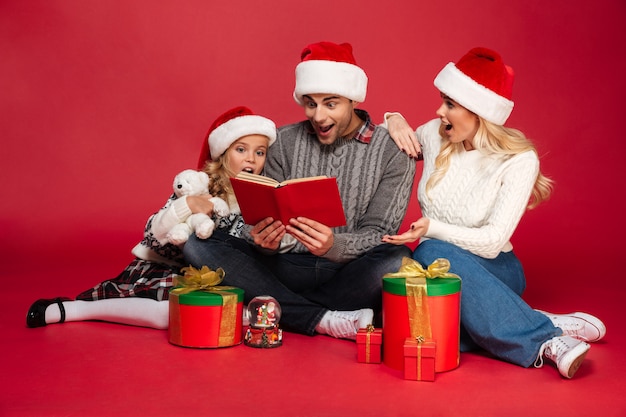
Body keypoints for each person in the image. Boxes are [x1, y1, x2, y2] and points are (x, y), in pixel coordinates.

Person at [382, 47, 606, 378]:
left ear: (478, 113)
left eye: (450, 104)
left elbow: (491, 242)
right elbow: (391, 148)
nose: (438, 110)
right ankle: (529, 317)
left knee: (429, 249)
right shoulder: (433, 134)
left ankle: (545, 340)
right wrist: (393, 117)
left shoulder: (519, 160)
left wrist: (432, 228)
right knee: (438, 328)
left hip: (496, 269)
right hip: (441, 273)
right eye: (442, 100)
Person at [183, 41, 416, 340]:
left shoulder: (393, 151)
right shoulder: (282, 140)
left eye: (331, 104)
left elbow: (380, 232)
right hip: (283, 266)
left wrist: (334, 245)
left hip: (347, 271)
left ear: (353, 100)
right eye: (310, 103)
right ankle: (324, 318)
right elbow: (258, 214)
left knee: (395, 258)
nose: (318, 116)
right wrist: (263, 240)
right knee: (196, 243)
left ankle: (274, 306)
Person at [27, 106, 278, 329]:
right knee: (168, 311)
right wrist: (188, 205)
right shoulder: (199, 185)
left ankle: (237, 314)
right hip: (165, 267)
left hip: (216, 278)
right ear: (223, 153)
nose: (250, 159)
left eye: (260, 152)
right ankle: (77, 310)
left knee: (208, 307)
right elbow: (152, 234)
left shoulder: (256, 199)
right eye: (241, 149)